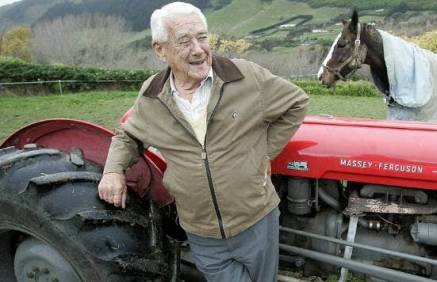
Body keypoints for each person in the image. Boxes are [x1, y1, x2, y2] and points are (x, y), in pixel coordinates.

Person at [97, 2, 309, 281]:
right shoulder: (152, 95)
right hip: (201, 231)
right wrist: (113, 170)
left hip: (256, 220)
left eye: (202, 37)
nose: (198, 49)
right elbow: (129, 135)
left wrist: (263, 152)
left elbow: (296, 103)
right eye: (184, 41)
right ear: (160, 50)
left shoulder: (244, 76)